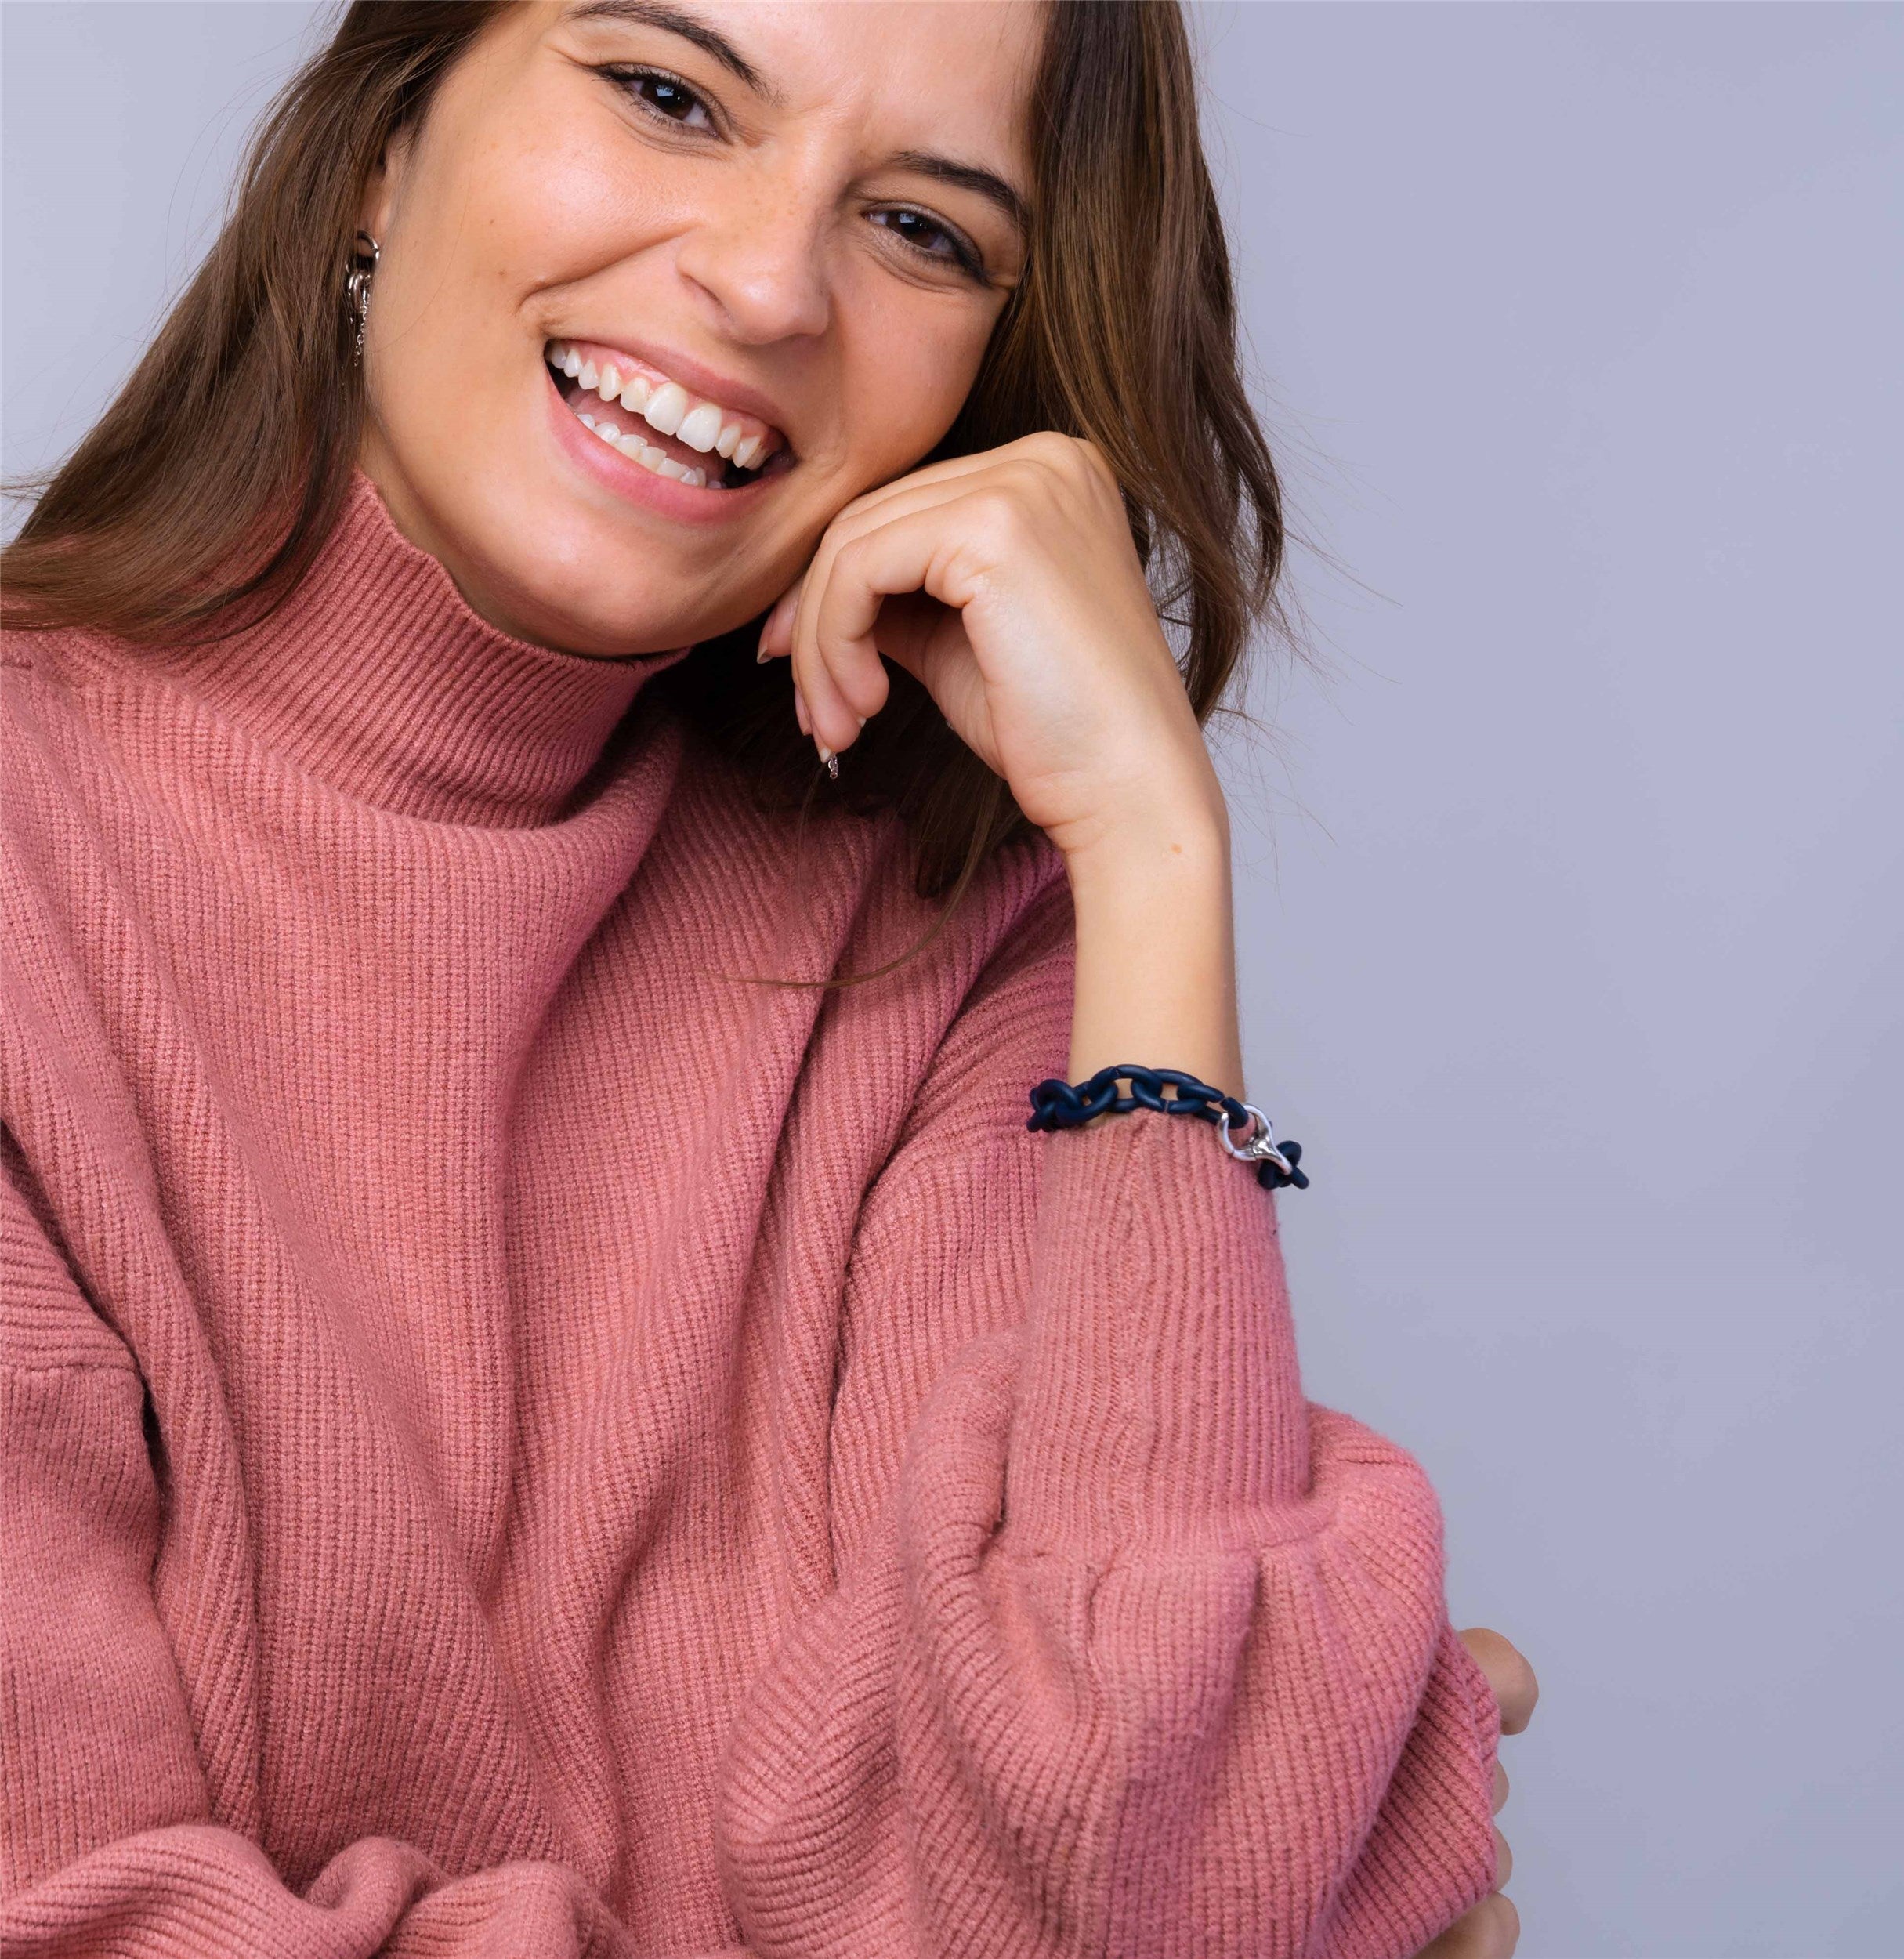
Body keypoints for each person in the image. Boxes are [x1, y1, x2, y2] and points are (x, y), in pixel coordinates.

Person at [0, 2, 1538, 1954]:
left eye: (921, 230)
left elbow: (1150, 1865)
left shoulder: (943, 938)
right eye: (666, 97)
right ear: (385, 142)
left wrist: (1151, 857)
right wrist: (1317, 1794)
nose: (761, 282)